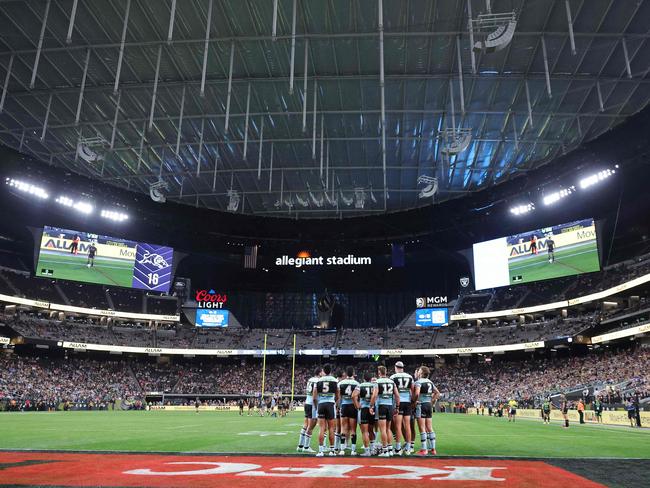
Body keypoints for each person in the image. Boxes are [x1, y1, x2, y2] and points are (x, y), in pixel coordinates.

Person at [372, 365, 399, 457]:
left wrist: (371, 405)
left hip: (381, 406)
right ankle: (390, 449)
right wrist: (397, 407)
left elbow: (375, 395)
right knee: (388, 429)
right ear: (386, 372)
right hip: (390, 406)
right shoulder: (392, 382)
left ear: (379, 372)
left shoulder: (377, 382)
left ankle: (385, 451)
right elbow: (397, 396)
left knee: (382, 429)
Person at [313, 364, 339, 457]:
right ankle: (332, 450)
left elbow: (314, 397)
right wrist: (333, 402)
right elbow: (338, 395)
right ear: (331, 371)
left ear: (324, 370)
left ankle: (320, 451)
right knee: (332, 428)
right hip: (330, 404)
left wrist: (317, 406)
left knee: (321, 428)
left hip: (321, 404)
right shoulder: (334, 380)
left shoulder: (319, 381)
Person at [414, 366, 440, 456]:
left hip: (421, 405)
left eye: (419, 371)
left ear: (421, 373)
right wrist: (431, 401)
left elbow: (417, 393)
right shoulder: (430, 382)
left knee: (422, 428)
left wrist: (414, 401)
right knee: (429, 427)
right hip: (428, 405)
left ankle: (424, 449)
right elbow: (437, 393)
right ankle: (433, 449)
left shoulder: (418, 382)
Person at [390, 361, 415, 455]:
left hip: (398, 402)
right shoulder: (409, 376)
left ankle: (398, 448)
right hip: (407, 403)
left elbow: (391, 391)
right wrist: (413, 401)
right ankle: (408, 448)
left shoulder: (393, 377)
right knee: (407, 426)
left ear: (396, 367)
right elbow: (413, 391)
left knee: (398, 426)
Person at [297, 367, 322, 453]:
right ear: (319, 373)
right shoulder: (317, 381)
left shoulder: (310, 379)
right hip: (312, 404)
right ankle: (306, 447)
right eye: (321, 372)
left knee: (305, 425)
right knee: (311, 426)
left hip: (307, 403)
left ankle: (300, 445)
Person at [338, 366, 359, 456]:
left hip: (344, 406)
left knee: (343, 428)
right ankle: (353, 450)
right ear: (353, 373)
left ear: (346, 373)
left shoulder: (340, 383)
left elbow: (339, 398)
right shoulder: (357, 383)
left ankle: (342, 449)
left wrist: (338, 407)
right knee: (353, 429)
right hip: (352, 406)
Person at [352, 371, 374, 457]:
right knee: (371, 430)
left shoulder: (360, 386)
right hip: (372, 409)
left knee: (364, 432)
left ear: (364, 378)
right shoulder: (374, 386)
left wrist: (357, 406)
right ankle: (373, 448)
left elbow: (353, 396)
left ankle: (367, 451)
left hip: (363, 409)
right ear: (371, 378)